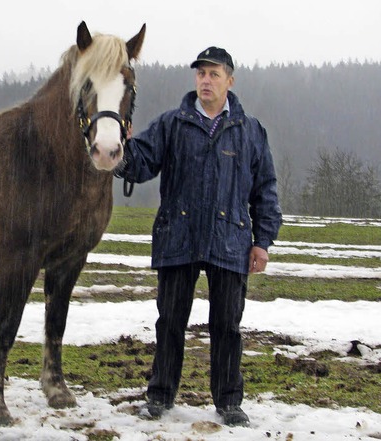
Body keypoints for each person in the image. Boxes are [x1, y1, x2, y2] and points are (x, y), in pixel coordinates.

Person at [115, 46, 282, 427]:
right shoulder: (171, 124)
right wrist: (121, 151)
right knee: (170, 321)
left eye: (214, 74)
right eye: (201, 73)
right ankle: (160, 395)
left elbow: (266, 190)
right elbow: (140, 163)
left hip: (231, 239)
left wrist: (263, 241)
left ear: (230, 81)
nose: (206, 80)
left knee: (227, 326)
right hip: (179, 235)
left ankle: (228, 401)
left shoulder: (250, 131)